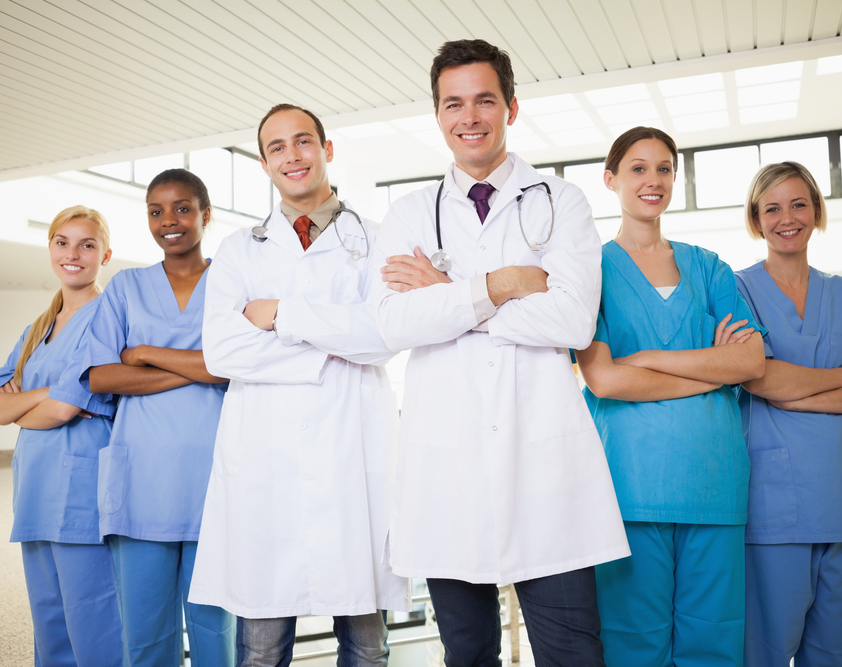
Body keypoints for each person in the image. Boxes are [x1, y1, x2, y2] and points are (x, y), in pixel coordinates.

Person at [373, 39, 629, 667]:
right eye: (453, 103)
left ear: (511, 107)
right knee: (467, 655)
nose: (470, 117)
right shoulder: (408, 213)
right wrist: (504, 284)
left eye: (484, 100)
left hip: (545, 466)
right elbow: (392, 325)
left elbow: (571, 320)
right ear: (437, 115)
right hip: (448, 467)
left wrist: (451, 300)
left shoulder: (561, 202)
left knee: (574, 654)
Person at [188, 103, 409, 667]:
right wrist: (335, 340)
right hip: (267, 466)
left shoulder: (379, 240)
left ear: (327, 150)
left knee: (366, 645)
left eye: (303, 141)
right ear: (264, 163)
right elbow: (224, 351)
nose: (293, 155)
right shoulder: (240, 251)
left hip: (351, 455)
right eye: (277, 147)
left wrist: (281, 314)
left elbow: (385, 336)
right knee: (260, 648)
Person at [575, 126, 767, 667]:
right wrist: (713, 369)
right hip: (630, 490)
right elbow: (605, 380)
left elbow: (750, 361)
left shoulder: (709, 268)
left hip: (715, 484)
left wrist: (647, 359)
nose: (652, 180)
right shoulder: (591, 271)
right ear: (610, 180)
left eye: (664, 169)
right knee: (634, 642)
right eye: (638, 168)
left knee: (715, 640)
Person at [736, 162, 842, 667]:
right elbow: (757, 377)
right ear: (757, 219)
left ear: (817, 211)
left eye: (799, 203)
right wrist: (841, 376)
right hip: (772, 510)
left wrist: (796, 393)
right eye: (773, 208)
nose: (788, 218)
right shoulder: (736, 290)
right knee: (764, 651)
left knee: (837, 654)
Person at [82, 169, 235, 667]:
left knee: (217, 633)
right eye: (156, 211)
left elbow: (240, 367)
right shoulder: (126, 286)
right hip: (141, 485)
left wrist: (146, 352)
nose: (169, 221)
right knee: (145, 639)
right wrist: (201, 368)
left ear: (206, 215)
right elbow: (101, 377)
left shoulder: (232, 283)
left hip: (216, 483)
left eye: (183, 208)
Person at [0, 205, 123, 666]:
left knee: (94, 621)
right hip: (36, 492)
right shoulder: (37, 329)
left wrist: (27, 402)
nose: (73, 254)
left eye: (87, 244)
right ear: (50, 248)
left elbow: (64, 410)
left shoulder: (107, 317)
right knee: (50, 625)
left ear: (105, 255)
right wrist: (46, 395)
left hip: (82, 493)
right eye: (62, 242)